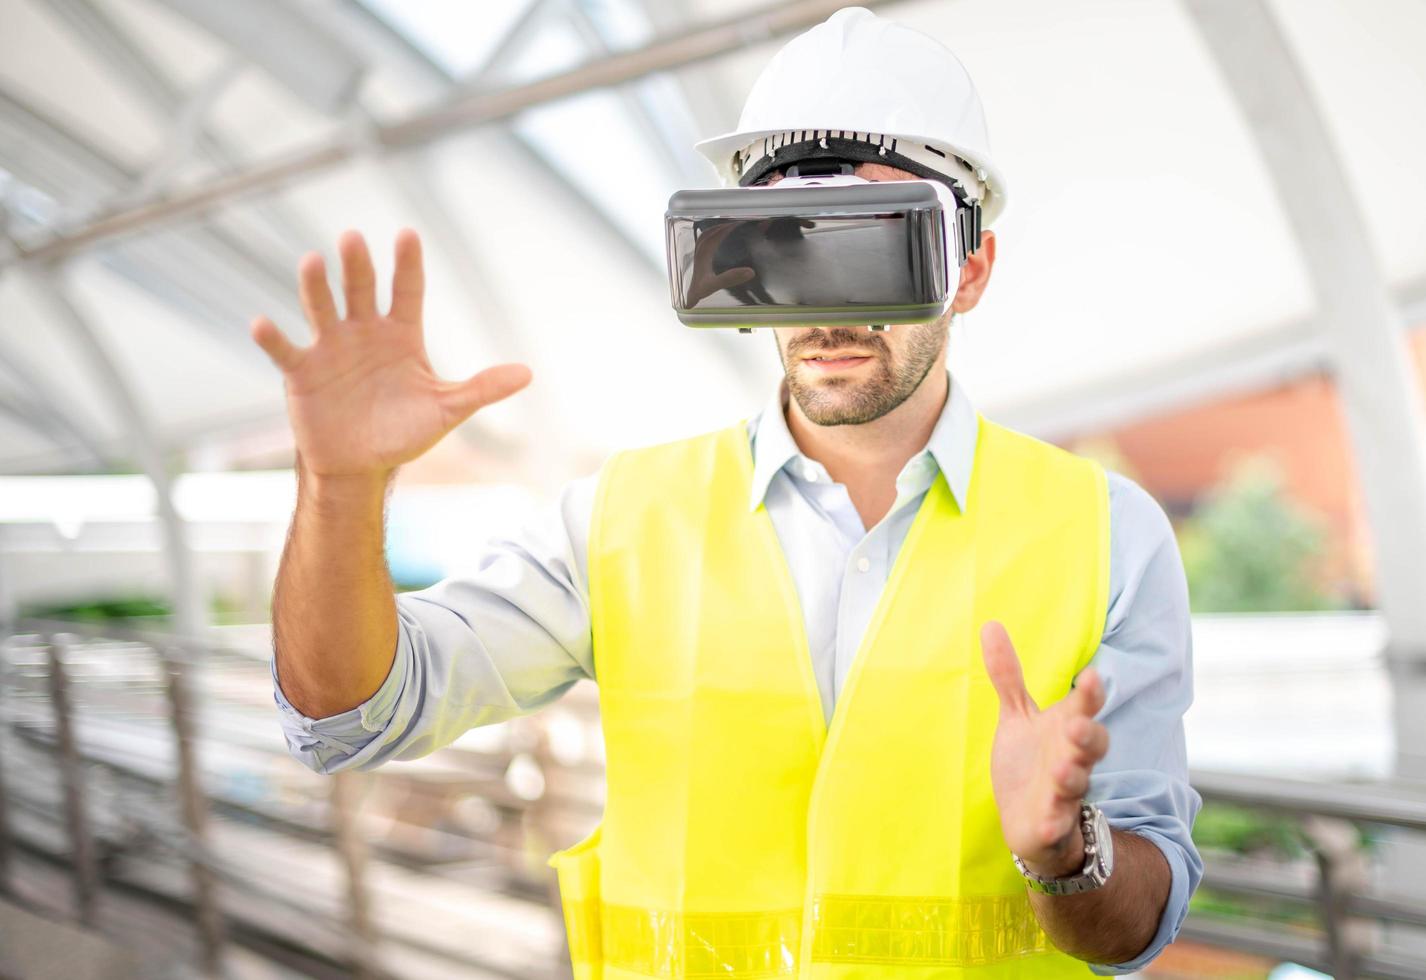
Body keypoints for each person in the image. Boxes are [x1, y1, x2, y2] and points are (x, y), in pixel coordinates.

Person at [251, 8, 1201, 976]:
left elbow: (1136, 919)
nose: (828, 310)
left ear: (968, 269)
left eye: (873, 243)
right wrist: (339, 489)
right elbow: (350, 715)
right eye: (785, 245)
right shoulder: (618, 520)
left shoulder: (1107, 534)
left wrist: (1065, 852)